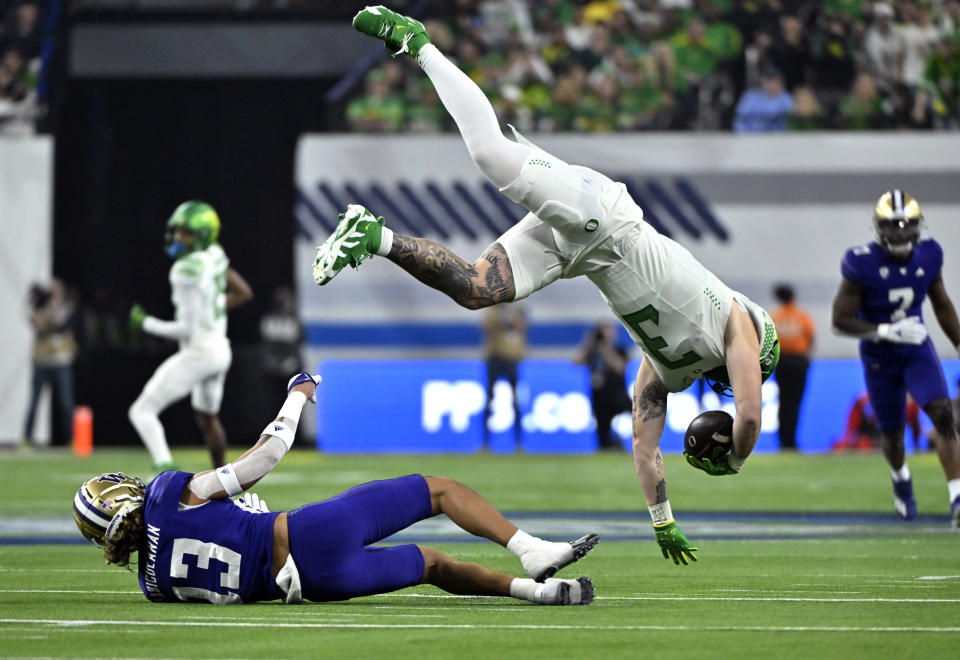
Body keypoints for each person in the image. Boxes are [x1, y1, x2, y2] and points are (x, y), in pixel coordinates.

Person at [313, 6, 781, 566]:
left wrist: (663, 519)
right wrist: (732, 461)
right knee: (489, 153)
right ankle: (417, 43)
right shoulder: (736, 323)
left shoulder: (669, 372)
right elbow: (750, 419)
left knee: (473, 288)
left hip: (579, 255)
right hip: (603, 219)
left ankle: (374, 236)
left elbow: (643, 445)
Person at [72, 373, 598, 606]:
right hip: (308, 534)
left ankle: (538, 593)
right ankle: (529, 551)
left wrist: (237, 522)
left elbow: (215, 550)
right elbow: (267, 456)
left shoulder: (153, 586)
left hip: (313, 584)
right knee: (437, 491)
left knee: (433, 566)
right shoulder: (165, 494)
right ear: (120, 500)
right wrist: (297, 396)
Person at [831, 189, 960, 526]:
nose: (900, 231)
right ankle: (900, 476)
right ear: (879, 227)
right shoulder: (861, 262)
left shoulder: (929, 255)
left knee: (943, 413)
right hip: (879, 355)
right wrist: (886, 331)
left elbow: (942, 304)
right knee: (892, 434)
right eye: (892, 224)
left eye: (906, 224)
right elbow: (840, 319)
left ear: (917, 225)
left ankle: (957, 495)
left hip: (916, 348)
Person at [128, 201, 254, 472]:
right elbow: (243, 291)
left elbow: (185, 330)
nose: (178, 238)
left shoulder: (184, 270)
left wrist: (145, 323)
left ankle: (165, 473)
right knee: (208, 419)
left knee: (141, 411)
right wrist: (215, 308)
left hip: (200, 352)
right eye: (177, 231)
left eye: (187, 233)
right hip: (221, 349)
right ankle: (224, 484)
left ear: (204, 235)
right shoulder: (215, 254)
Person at [22, 279, 77, 447]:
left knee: (66, 402)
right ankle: (27, 438)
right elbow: (39, 326)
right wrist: (36, 304)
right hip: (42, 362)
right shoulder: (40, 310)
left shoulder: (65, 309)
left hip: (61, 361)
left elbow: (60, 324)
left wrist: (54, 308)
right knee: (35, 401)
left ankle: (72, 439)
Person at [573, 321, 632, 451]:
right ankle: (611, 447)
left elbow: (620, 367)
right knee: (602, 436)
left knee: (637, 415)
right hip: (600, 398)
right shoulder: (592, 351)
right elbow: (575, 362)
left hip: (618, 396)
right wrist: (587, 343)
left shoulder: (619, 349)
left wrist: (606, 350)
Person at [770, 283, 815, 451]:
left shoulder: (775, 317)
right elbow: (810, 338)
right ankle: (792, 442)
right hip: (798, 361)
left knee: (783, 401)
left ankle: (784, 441)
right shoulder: (802, 316)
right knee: (795, 402)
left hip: (781, 362)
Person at [482, 305, 527, 450]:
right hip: (495, 358)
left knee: (515, 401)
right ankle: (486, 442)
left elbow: (521, 327)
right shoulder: (492, 310)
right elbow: (487, 327)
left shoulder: (516, 310)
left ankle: (518, 443)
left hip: (511, 359)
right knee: (489, 401)